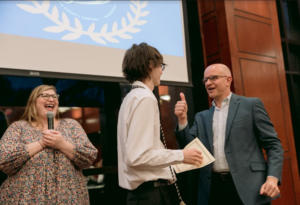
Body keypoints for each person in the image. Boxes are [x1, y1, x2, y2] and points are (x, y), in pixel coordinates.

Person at [174, 64, 284, 205]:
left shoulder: (250, 105)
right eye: (205, 80)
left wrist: (272, 178)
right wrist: (182, 119)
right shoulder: (201, 117)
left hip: (250, 188)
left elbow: (273, 145)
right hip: (213, 189)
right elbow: (187, 148)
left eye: (213, 78)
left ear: (228, 80)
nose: (208, 83)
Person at [118, 43, 203, 205]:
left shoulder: (130, 98)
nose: (162, 71)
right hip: (150, 194)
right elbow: (137, 157)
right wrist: (181, 155)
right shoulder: (145, 98)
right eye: (161, 65)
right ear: (150, 65)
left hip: (141, 195)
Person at [0, 85, 98, 204]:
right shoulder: (18, 128)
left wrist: (62, 144)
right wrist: (41, 143)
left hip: (67, 199)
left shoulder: (71, 125)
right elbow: (4, 161)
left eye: (54, 96)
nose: (51, 99)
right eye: (45, 96)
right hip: (27, 199)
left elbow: (89, 157)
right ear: (33, 102)